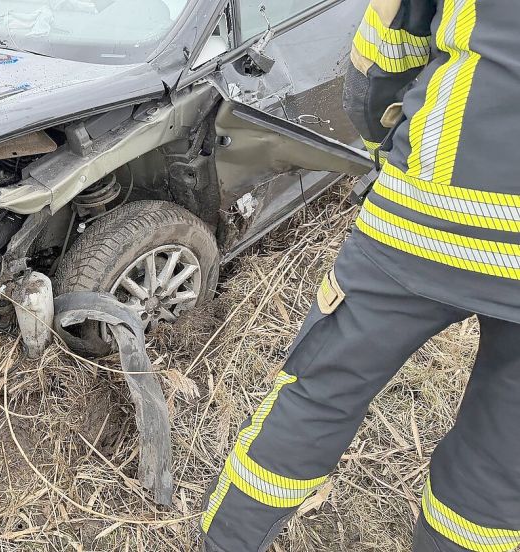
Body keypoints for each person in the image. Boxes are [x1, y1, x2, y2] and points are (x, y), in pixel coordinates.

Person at [200, 0, 520, 551]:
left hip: (429, 215)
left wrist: (386, 154)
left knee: (319, 392)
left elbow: (381, 58)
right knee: (500, 460)